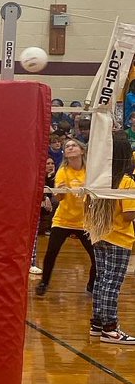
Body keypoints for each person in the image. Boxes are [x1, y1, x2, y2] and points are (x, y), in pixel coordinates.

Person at [83, 128, 135, 343]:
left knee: (102, 281)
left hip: (99, 235)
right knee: (111, 284)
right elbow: (129, 214)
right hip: (119, 238)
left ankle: (97, 324)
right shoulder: (126, 182)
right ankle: (110, 328)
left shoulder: (98, 180)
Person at [37, 138, 96, 296]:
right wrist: (61, 191)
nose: (70, 148)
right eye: (67, 146)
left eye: (73, 145)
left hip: (84, 222)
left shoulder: (90, 171)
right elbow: (59, 198)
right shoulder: (63, 171)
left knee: (96, 257)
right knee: (51, 252)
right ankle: (44, 283)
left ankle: (91, 286)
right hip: (63, 220)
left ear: (82, 150)